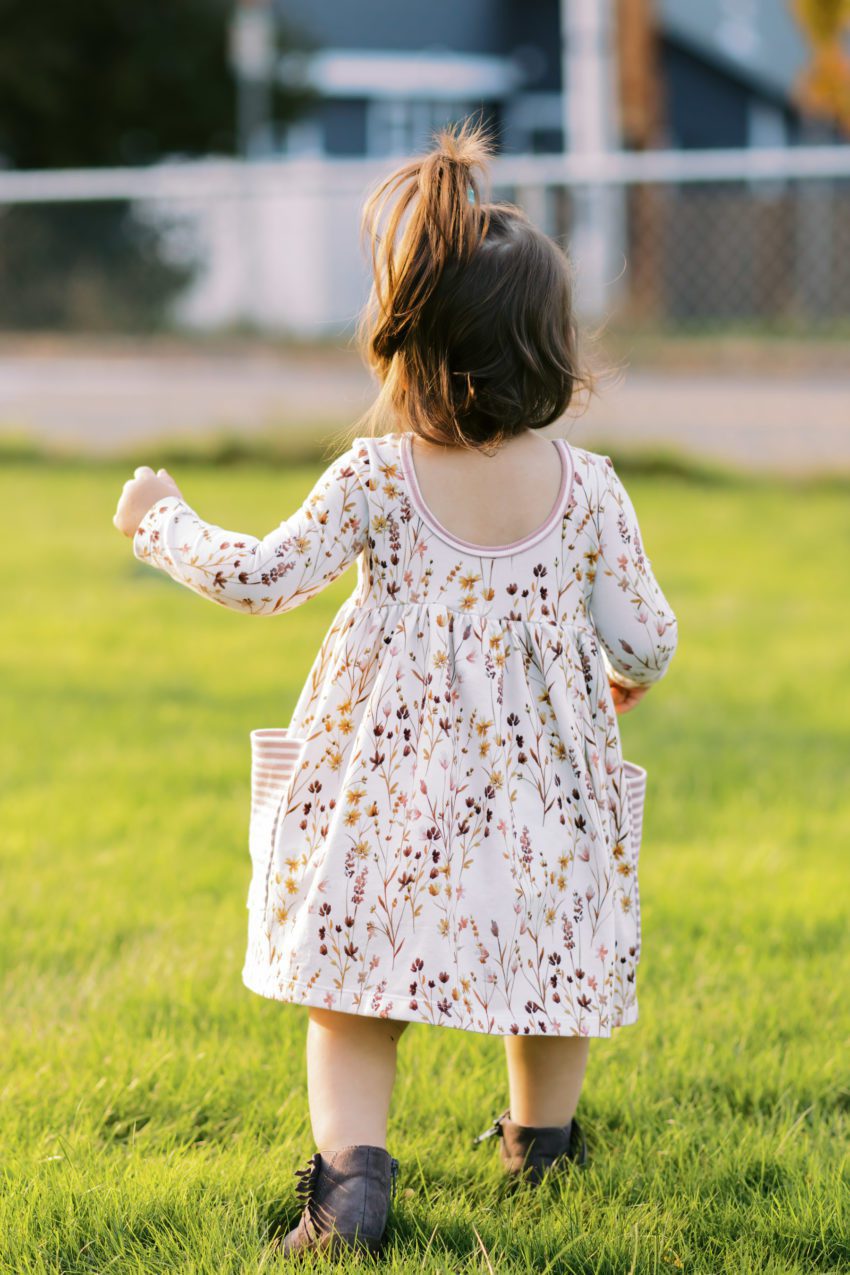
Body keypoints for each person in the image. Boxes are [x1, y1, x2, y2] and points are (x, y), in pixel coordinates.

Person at [113, 118, 678, 1257]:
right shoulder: (591, 490)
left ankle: (351, 1187)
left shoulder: (377, 475)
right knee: (547, 969)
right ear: (551, 351)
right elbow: (650, 639)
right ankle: (542, 1148)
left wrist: (158, 520)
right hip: (542, 801)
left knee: (354, 990)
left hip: (388, 796)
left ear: (409, 345)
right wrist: (612, 678)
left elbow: (263, 578)